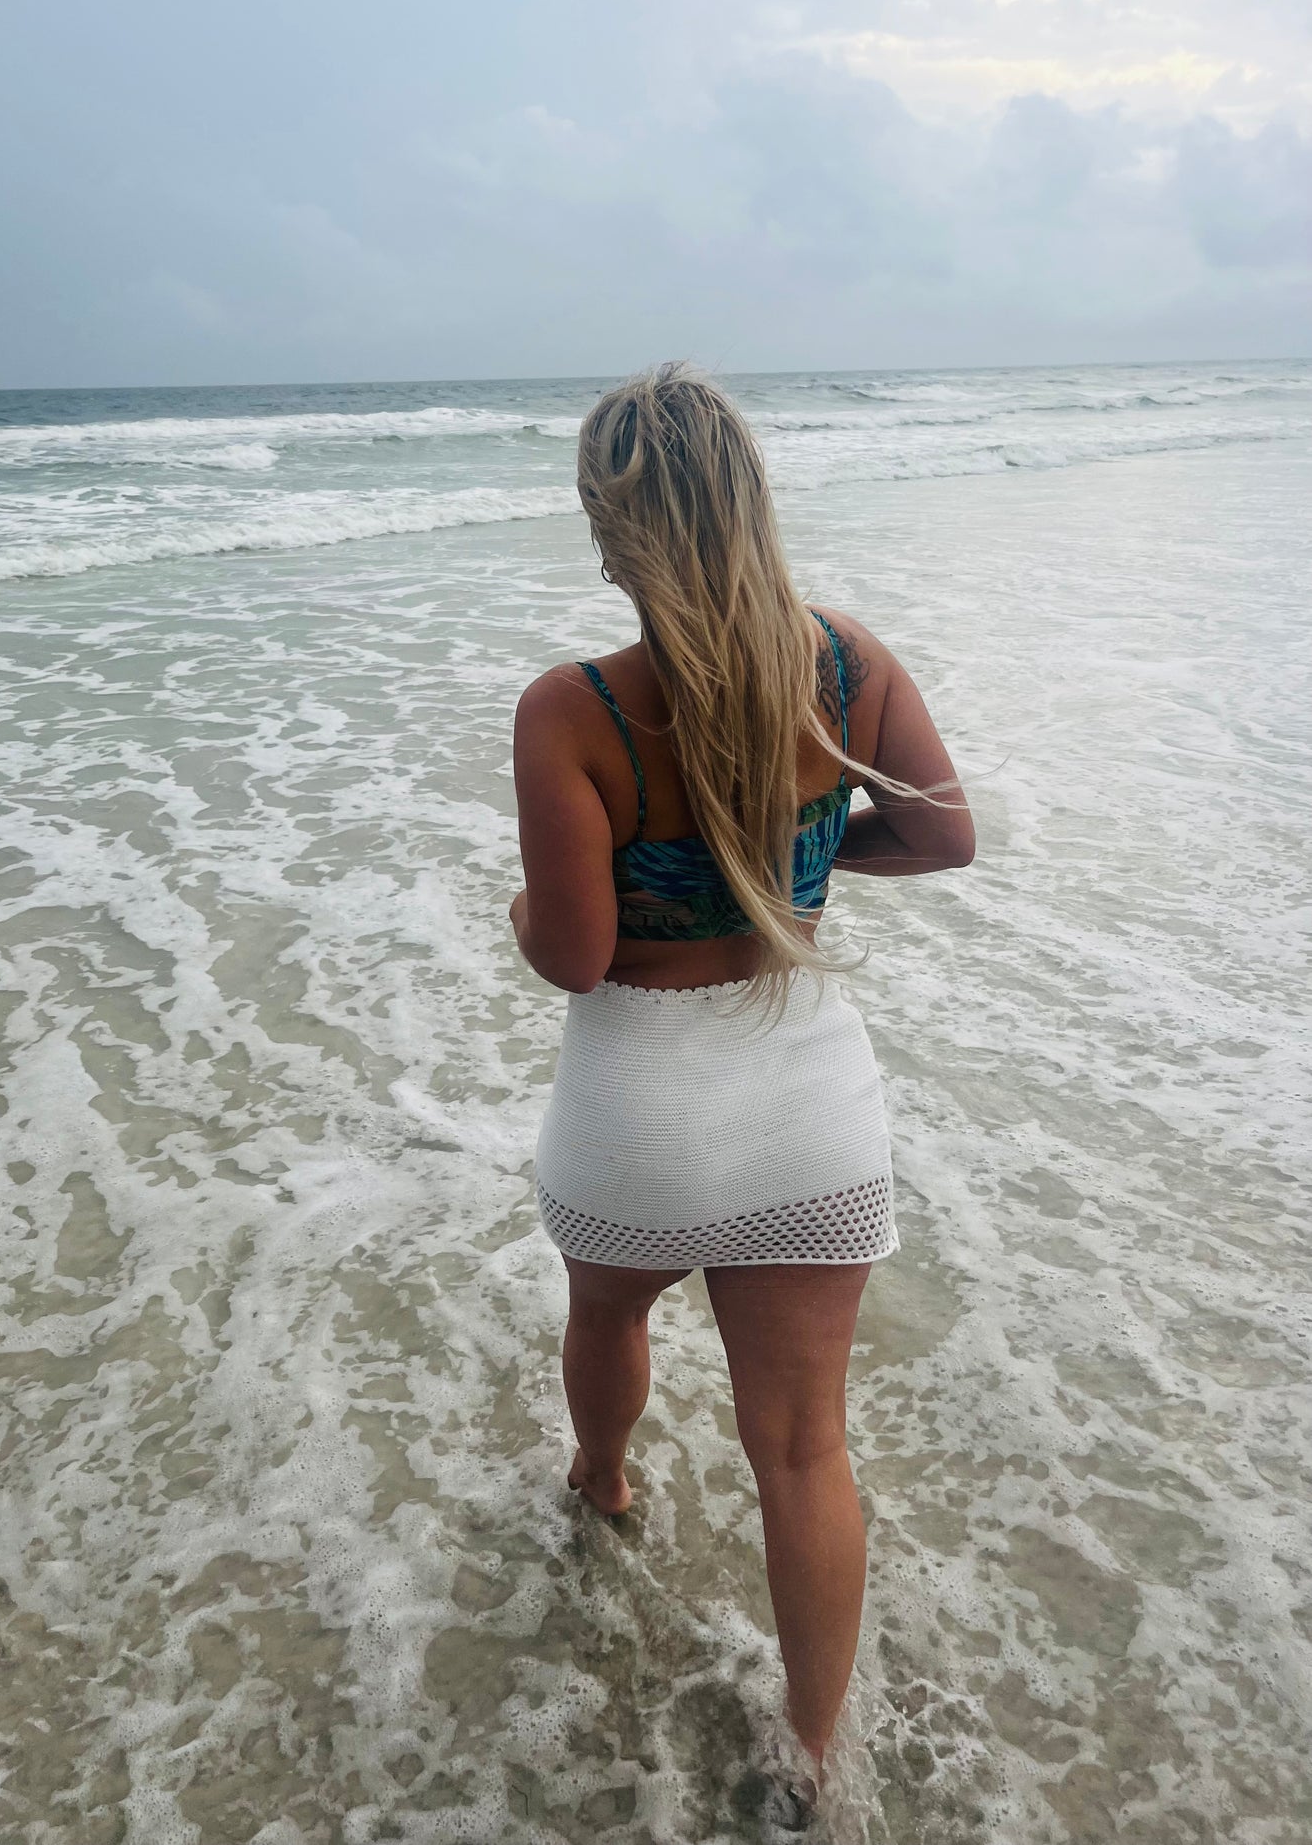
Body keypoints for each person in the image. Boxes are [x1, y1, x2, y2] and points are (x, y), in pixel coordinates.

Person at [508, 363, 974, 1812]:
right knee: (800, 1444)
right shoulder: (842, 660)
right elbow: (944, 837)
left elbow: (576, 957)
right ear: (749, 501)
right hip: (805, 1110)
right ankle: (809, 1759)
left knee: (604, 1312)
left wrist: (518, 916)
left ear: (607, 525)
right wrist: (808, 874)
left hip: (634, 1117)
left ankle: (603, 1484)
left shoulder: (571, 710)